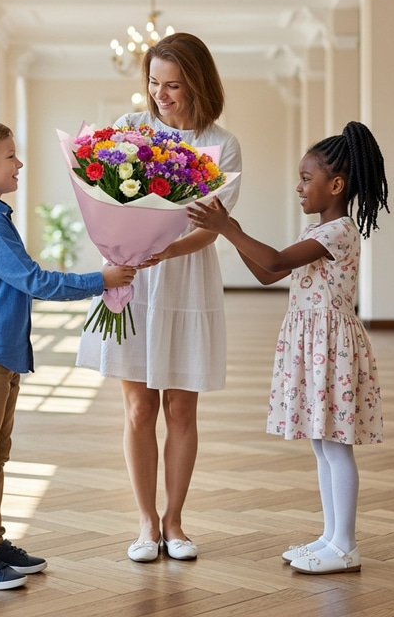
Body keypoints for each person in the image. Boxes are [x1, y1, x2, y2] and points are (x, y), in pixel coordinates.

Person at [0, 119, 136, 590]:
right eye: (11, 156)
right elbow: (34, 280)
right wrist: (100, 280)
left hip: (1, 352)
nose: (20, 162)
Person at [186, 121, 388, 575]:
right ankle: (331, 536)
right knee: (322, 446)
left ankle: (347, 545)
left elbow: (275, 260)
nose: (297, 187)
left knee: (336, 446)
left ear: (335, 185)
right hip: (314, 342)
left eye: (305, 178)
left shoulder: (338, 231)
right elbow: (267, 274)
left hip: (331, 346)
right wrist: (229, 230)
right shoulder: (316, 228)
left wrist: (225, 227)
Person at [76, 33, 242, 562]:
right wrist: (129, 249)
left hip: (186, 280)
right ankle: (146, 522)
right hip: (133, 279)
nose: (162, 95)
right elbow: (105, 196)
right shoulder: (130, 130)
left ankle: (176, 522)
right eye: (154, 83)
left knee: (181, 408)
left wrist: (164, 251)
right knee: (138, 408)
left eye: (173, 85)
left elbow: (211, 227)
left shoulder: (222, 143)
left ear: (198, 84)